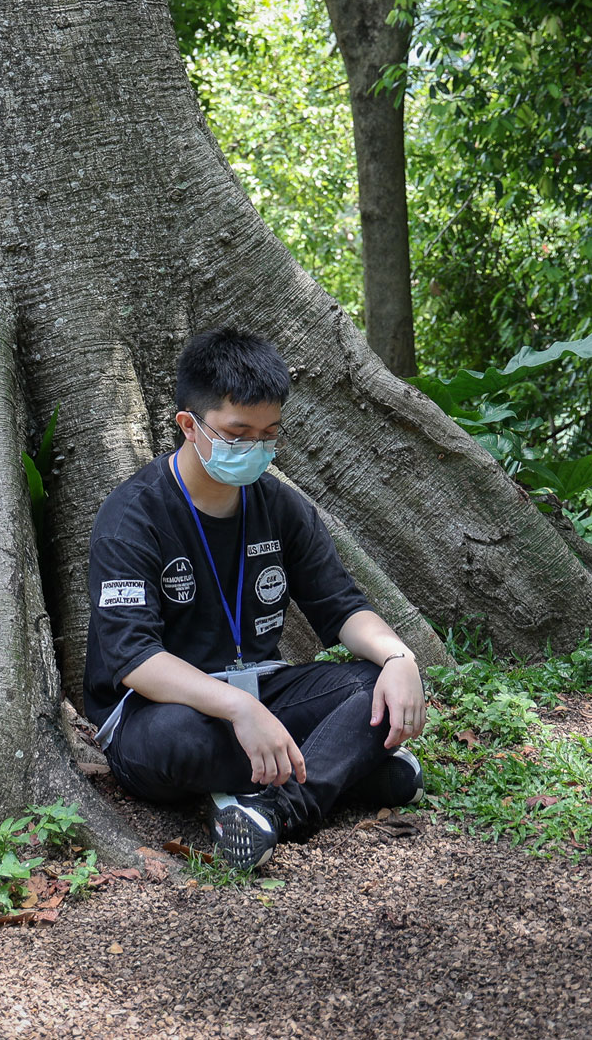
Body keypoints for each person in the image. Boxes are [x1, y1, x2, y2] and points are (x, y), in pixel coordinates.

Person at [83, 328, 427, 870]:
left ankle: (274, 809)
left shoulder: (282, 507)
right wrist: (238, 707)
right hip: (158, 712)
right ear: (189, 425)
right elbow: (134, 659)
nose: (254, 448)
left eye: (268, 435)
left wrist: (400, 658)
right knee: (182, 738)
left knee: (370, 684)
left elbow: (341, 607)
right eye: (238, 433)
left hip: (261, 691)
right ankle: (342, 769)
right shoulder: (132, 517)